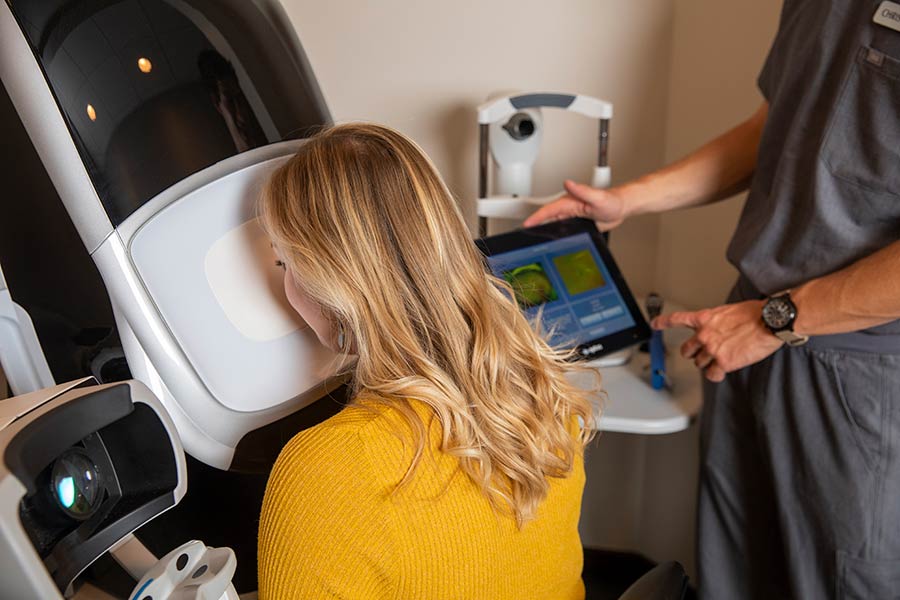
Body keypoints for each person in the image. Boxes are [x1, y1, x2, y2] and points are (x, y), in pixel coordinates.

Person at [525, 2, 900, 598]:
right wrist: (627, 200)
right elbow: (772, 130)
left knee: (841, 581)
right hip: (745, 329)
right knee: (735, 572)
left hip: (854, 364)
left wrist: (778, 320)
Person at [256, 123, 598, 599]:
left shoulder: (327, 470)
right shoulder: (546, 390)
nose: (283, 285)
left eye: (284, 264)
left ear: (332, 285)